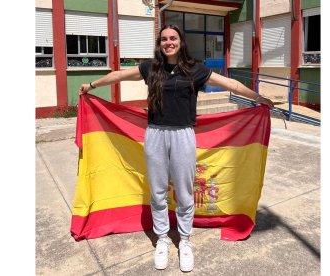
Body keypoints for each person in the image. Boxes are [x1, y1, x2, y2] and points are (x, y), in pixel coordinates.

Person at [79, 24, 274, 272]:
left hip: (183, 135)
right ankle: (161, 238)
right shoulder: (150, 67)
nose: (168, 42)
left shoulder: (195, 69)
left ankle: (185, 241)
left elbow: (231, 84)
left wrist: (259, 99)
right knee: (158, 191)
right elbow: (118, 75)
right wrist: (92, 85)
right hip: (155, 135)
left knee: (184, 192)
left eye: (173, 38)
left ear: (181, 41)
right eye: (164, 39)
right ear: (159, 43)